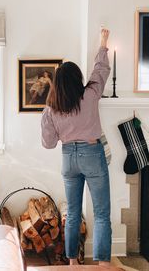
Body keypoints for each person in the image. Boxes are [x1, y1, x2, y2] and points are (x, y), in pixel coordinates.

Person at [41, 29, 112, 267]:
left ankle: (73, 263)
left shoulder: (51, 108)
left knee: (72, 213)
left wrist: (51, 121)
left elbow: (49, 143)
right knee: (101, 214)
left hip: (68, 158)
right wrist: (103, 43)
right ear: (78, 79)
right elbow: (101, 71)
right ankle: (102, 265)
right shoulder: (90, 95)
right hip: (92, 154)